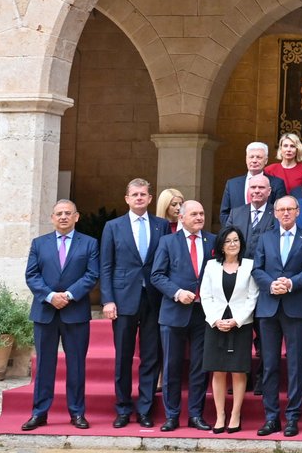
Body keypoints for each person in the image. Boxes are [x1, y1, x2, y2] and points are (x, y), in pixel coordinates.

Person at [22, 199, 100, 431]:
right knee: (45, 364)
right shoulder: (39, 243)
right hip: (45, 312)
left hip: (75, 312)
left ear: (77, 217)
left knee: (76, 365)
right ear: (52, 218)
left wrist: (67, 295)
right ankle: (39, 412)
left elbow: (91, 274)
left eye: (68, 213)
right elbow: (32, 275)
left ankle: (77, 413)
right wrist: (49, 296)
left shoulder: (89, 243)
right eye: (59, 213)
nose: (63, 217)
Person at [100, 179, 170, 429]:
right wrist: (107, 300)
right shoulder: (113, 226)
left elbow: (165, 262)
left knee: (151, 356)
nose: (139, 198)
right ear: (127, 198)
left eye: (143, 194)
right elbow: (106, 266)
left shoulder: (162, 225)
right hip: (122, 298)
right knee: (124, 357)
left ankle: (145, 409)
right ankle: (122, 408)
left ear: (150, 199)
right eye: (135, 194)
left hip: (153, 298)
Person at [252, 194, 302, 438]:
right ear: (275, 213)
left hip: (296, 307)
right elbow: (257, 269)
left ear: (298, 211)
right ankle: (271, 417)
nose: (286, 213)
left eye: (291, 209)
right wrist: (271, 285)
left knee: (295, 364)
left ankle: (293, 417)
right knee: (269, 365)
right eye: (282, 209)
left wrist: (290, 283)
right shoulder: (265, 237)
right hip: (269, 308)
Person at [151, 200, 217, 432]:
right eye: (194, 214)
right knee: (172, 366)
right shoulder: (168, 242)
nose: (199, 217)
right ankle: (171, 415)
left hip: (203, 314)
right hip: (173, 312)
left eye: (202, 213)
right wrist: (177, 293)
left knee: (200, 367)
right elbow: (157, 275)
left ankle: (196, 415)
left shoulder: (213, 240)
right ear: (182, 217)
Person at [200, 226, 259, 434]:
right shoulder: (211, 266)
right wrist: (215, 320)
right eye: (228, 241)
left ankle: (235, 414)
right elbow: (205, 295)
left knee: (238, 370)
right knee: (218, 370)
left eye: (236, 240)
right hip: (215, 322)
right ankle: (220, 415)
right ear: (221, 246)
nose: (232, 244)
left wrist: (237, 320)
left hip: (240, 322)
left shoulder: (250, 266)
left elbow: (253, 296)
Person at [219, 142, 285, 225]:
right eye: (251, 157)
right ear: (246, 159)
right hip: (237, 235)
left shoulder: (277, 184)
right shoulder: (232, 184)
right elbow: (224, 214)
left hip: (266, 234)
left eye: (259, 157)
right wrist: (233, 233)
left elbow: (280, 212)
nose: (254, 160)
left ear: (266, 160)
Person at [227, 174, 277, 259]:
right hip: (239, 266)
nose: (257, 191)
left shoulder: (277, 213)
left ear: (269, 191)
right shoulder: (235, 213)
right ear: (248, 190)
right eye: (253, 187)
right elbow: (226, 239)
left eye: (261, 187)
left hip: (266, 267)